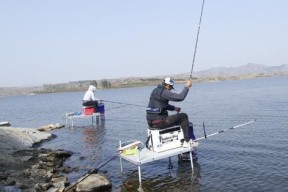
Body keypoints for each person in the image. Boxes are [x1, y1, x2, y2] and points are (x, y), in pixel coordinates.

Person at [146, 77, 198, 148]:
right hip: (159, 122)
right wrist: (187, 87)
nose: (170, 90)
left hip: (151, 123)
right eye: (170, 88)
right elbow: (180, 97)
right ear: (167, 85)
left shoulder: (155, 91)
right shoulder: (164, 92)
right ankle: (187, 141)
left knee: (179, 118)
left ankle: (183, 138)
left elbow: (162, 105)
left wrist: (174, 108)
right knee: (184, 116)